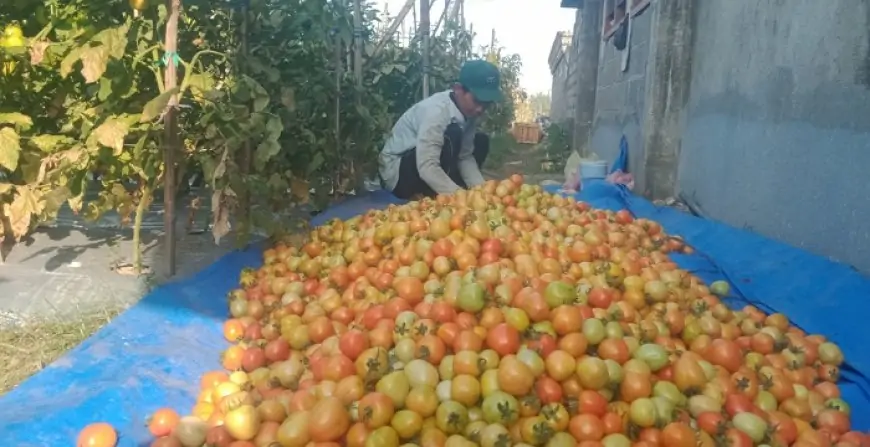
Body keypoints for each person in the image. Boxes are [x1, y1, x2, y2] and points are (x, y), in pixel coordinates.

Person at [378, 59, 503, 199]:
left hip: (428, 164)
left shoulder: (470, 113)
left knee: (480, 141)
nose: (480, 109)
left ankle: (448, 191)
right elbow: (427, 166)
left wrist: (482, 191)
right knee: (452, 134)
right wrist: (460, 197)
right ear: (458, 89)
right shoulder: (437, 112)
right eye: (476, 101)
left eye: (486, 104)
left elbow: (464, 156)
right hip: (398, 173)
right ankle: (437, 193)